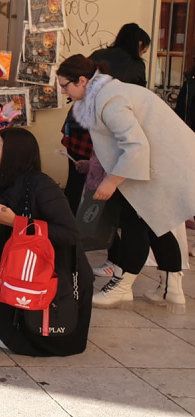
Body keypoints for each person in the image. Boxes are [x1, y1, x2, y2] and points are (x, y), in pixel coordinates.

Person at [59, 54, 195, 313]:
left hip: (154, 167)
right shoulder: (107, 94)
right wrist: (94, 168)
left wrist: (110, 182)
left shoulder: (110, 100)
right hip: (154, 167)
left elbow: (135, 147)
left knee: (136, 225)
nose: (63, 90)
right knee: (158, 224)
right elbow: (114, 147)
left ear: (83, 80)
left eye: (65, 85)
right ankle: (172, 289)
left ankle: (121, 287)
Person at [0, 128, 94, 356]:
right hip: (27, 262)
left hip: (56, 271)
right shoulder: (8, 185)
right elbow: (1, 243)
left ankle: (22, 334)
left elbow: (70, 235)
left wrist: (18, 223)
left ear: (14, 153)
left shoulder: (41, 185)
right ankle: (5, 324)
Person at [81, 23, 151, 277]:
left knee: (88, 193)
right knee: (119, 205)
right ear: (140, 45)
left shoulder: (98, 55)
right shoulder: (136, 64)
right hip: (113, 134)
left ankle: (99, 251)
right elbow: (138, 100)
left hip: (85, 128)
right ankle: (115, 261)